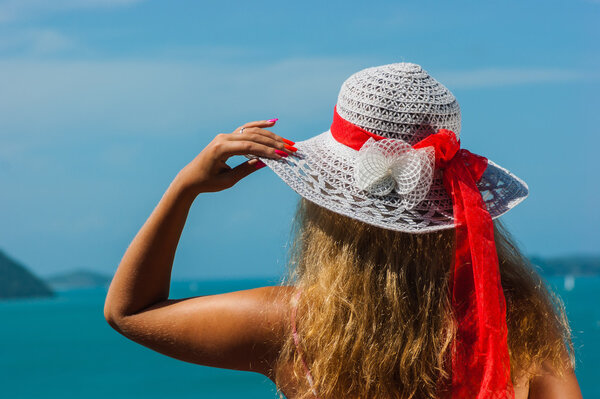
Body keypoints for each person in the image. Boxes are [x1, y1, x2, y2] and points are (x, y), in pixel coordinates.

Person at [104, 63, 582, 398]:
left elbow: (131, 312)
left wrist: (185, 188)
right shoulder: (518, 324)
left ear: (332, 209)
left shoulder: (295, 326)